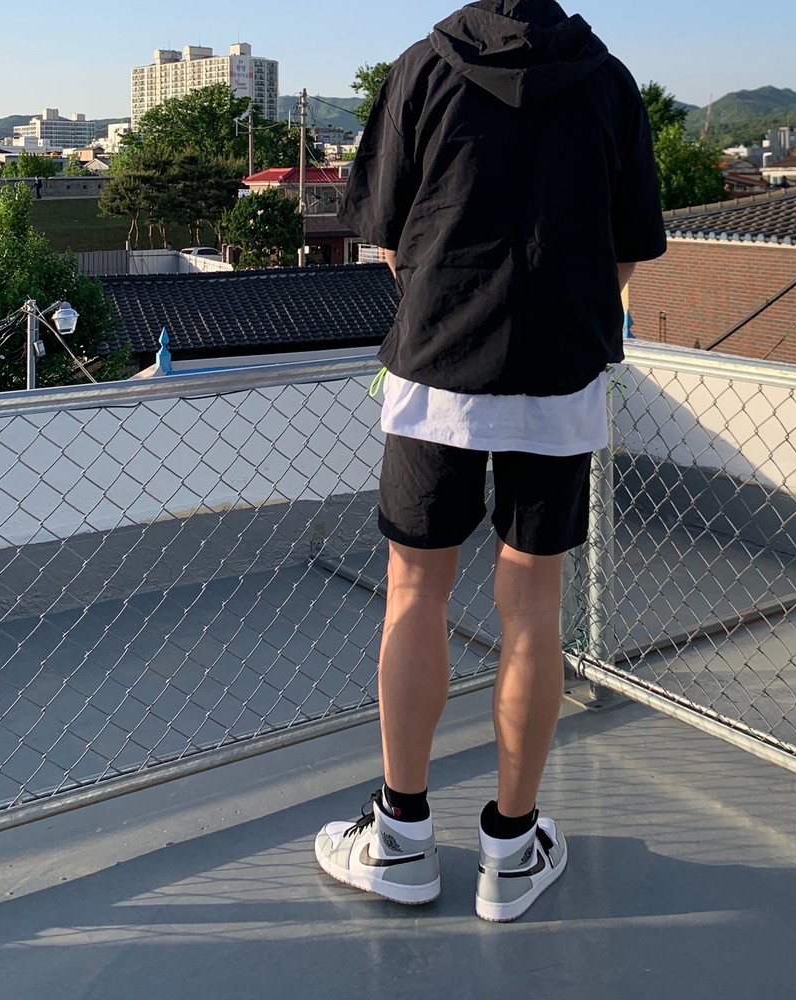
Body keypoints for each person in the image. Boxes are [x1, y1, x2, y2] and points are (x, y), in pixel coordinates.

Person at [315, 0, 666, 922]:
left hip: (437, 368)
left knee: (412, 591)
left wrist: (449, 307)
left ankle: (399, 840)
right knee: (534, 607)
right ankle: (511, 851)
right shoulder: (607, 82)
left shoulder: (422, 70)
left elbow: (388, 238)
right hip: (559, 375)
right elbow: (627, 253)